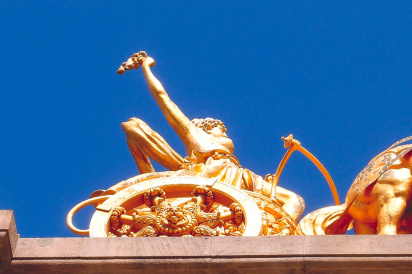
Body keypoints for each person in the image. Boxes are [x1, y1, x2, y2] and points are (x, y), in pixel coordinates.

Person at [118, 52, 304, 220]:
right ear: (206, 128)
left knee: (295, 200)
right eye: (220, 129)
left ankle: (277, 233)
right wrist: (146, 67)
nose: (225, 132)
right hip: (208, 174)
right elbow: (162, 96)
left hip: (239, 175)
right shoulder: (193, 133)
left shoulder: (245, 175)